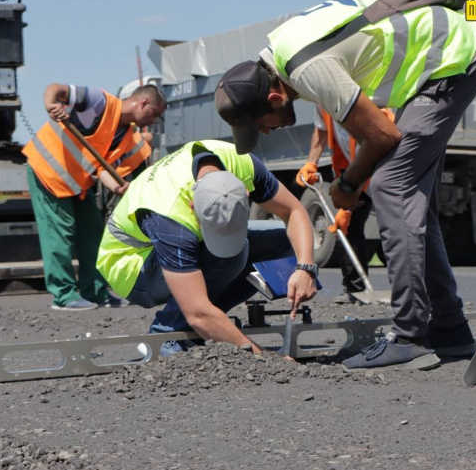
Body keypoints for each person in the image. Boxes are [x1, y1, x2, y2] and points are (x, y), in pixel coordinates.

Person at [216, 0, 476, 370]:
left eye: (260, 126)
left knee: (391, 187)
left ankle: (410, 336)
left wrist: (346, 186)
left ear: (275, 100)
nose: (265, 133)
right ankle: (451, 329)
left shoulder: (305, 68)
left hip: (451, 59)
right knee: (409, 199)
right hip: (445, 56)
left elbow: (382, 134)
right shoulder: (283, 47)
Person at [96, 139, 318, 356]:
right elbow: (198, 313)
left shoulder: (239, 161)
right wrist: (263, 357)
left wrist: (305, 267)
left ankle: (210, 323)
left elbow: (294, 211)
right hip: (132, 268)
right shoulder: (170, 218)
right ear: (193, 205)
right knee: (232, 256)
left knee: (281, 241)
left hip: (176, 236)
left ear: (246, 195)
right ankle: (169, 331)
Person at [22, 83, 166, 311]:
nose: (154, 121)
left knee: (94, 232)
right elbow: (55, 88)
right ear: (143, 103)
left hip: (77, 182)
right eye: (155, 114)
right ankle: (64, 295)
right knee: (60, 232)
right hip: (47, 169)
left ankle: (96, 292)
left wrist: (120, 188)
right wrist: (52, 105)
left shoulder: (125, 136)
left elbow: (101, 168)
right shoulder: (99, 102)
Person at [296, 107, 390, 302]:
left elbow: (374, 148)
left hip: (384, 169)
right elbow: (321, 129)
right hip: (352, 170)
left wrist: (350, 195)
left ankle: (413, 290)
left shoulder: (360, 98)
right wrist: (311, 163)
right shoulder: (322, 102)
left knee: (396, 228)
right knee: (348, 229)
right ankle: (356, 290)